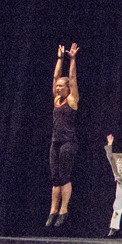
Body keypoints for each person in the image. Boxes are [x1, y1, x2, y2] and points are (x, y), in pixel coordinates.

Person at [47, 43, 80, 229]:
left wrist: (72, 59)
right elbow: (54, 77)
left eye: (61, 86)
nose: (58, 88)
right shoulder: (56, 99)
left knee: (64, 176)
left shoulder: (71, 100)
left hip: (69, 142)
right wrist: (60, 59)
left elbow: (73, 78)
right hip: (55, 142)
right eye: (57, 86)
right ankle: (53, 210)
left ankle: (63, 210)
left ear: (67, 88)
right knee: (55, 178)